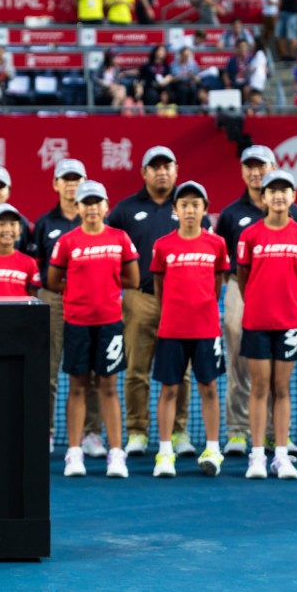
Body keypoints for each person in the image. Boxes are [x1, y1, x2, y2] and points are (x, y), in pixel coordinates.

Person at [108, 147, 206, 457]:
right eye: (155, 167)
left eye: (167, 166)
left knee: (183, 372)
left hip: (182, 303)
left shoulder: (188, 205)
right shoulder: (125, 210)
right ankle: (137, 431)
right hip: (141, 299)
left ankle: (178, 431)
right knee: (137, 369)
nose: (162, 172)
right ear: (144, 173)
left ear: (176, 170)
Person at [215, 145, 297, 457]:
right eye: (249, 166)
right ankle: (238, 432)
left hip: (281, 293)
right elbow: (225, 257)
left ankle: (274, 433)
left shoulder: (294, 214)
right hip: (241, 287)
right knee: (240, 359)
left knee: (280, 370)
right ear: (242, 171)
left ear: (272, 167)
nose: (255, 172)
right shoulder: (230, 214)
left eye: (261, 165)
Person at [49, 180, 138, 479]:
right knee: (77, 387)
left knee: (109, 388)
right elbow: (53, 281)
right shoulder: (68, 242)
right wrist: (79, 293)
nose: (91, 208)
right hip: (77, 323)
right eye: (86, 203)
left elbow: (132, 279)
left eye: (96, 202)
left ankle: (116, 453)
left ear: (106, 206)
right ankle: (74, 453)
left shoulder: (120, 239)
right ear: (78, 208)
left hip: (110, 323)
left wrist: (106, 290)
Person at [150, 181, 230, 478]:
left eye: (196, 205)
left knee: (208, 388)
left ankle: (212, 449)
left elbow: (218, 282)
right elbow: (159, 285)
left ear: (205, 210)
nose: (190, 210)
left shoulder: (216, 244)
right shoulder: (163, 245)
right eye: (184, 205)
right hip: (171, 329)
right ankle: (165, 452)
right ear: (175, 210)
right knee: (169, 389)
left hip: (206, 329)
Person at [236, 171, 297, 479]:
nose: (279, 195)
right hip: (256, 321)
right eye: (273, 191)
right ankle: (256, 456)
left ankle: (280, 456)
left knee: (282, 389)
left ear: (293, 196)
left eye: (285, 190)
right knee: (259, 388)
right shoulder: (249, 235)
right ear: (263, 197)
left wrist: (287, 301)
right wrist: (258, 301)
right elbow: (243, 279)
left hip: (289, 322)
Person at [31, 159, 90, 455]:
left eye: (76, 179)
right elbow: (38, 265)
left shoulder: (93, 219)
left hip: (88, 300)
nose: (71, 184)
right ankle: (48, 431)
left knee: (89, 370)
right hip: (53, 300)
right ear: (56, 184)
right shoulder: (44, 223)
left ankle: (91, 434)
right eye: (65, 179)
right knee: (49, 369)